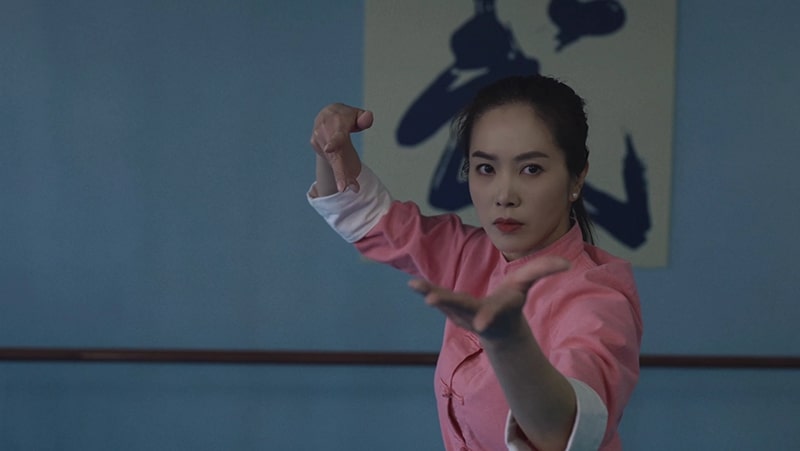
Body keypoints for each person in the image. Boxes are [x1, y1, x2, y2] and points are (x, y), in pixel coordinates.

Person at [307, 75, 642, 451]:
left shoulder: (597, 299)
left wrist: (510, 342)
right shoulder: (469, 254)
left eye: (531, 169)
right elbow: (364, 216)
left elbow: (568, 432)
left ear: (577, 177)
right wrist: (329, 147)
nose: (504, 195)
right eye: (486, 169)